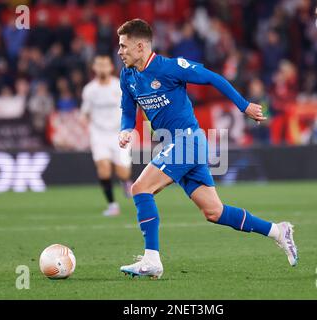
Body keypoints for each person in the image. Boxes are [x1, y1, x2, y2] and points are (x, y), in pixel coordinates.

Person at [117, 19, 298, 279]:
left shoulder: (170, 67)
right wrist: (126, 129)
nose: (120, 51)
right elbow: (127, 108)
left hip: (188, 141)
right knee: (215, 212)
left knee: (140, 188)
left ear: (140, 45)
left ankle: (152, 259)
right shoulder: (128, 75)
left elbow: (213, 78)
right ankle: (278, 231)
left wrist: (244, 106)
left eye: (124, 46)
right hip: (173, 144)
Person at [81, 55, 133, 216]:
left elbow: (130, 107)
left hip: (119, 133)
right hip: (99, 134)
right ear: (94, 68)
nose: (102, 68)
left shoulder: (119, 86)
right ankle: (112, 205)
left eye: (105, 65)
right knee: (103, 170)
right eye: (99, 65)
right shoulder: (89, 90)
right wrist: (84, 122)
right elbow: (85, 112)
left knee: (122, 172)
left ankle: (125, 181)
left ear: (111, 67)